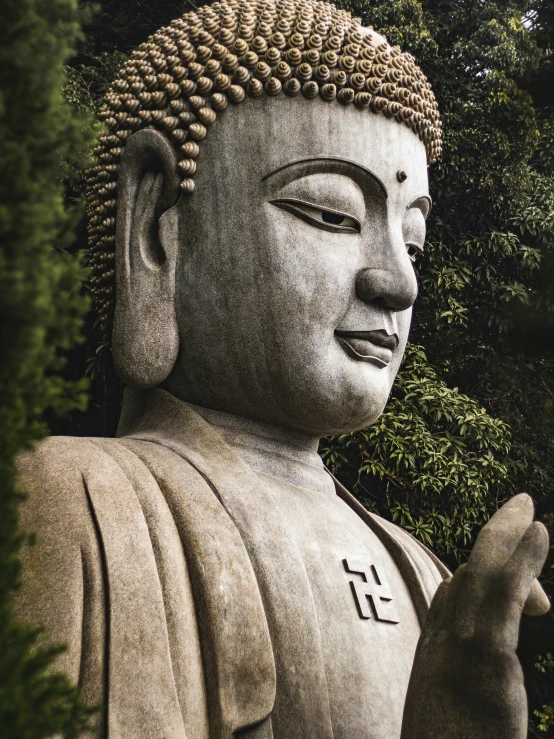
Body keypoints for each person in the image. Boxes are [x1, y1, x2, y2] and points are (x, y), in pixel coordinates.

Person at [15, 1, 550, 737]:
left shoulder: (426, 576)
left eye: (415, 243)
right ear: (154, 224)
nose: (398, 282)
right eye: (330, 213)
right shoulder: (71, 501)